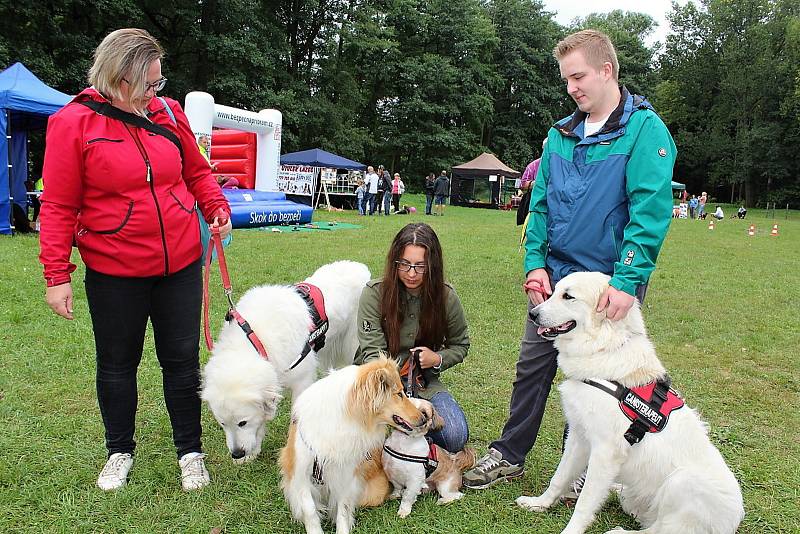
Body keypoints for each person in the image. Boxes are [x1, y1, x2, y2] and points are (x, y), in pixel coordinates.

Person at [463, 29, 676, 490]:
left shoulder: (645, 130)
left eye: (578, 77)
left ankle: (582, 468)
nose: (571, 88)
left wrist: (628, 280)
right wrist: (534, 265)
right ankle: (508, 454)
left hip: (609, 287)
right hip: (556, 279)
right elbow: (538, 206)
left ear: (606, 70)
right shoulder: (559, 135)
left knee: (600, 379)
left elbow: (650, 211)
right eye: (565, 80)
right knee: (532, 366)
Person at [38, 28, 232, 492]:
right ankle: (119, 451)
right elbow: (59, 205)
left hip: (180, 262)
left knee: (182, 362)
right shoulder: (74, 123)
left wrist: (215, 208)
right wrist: (56, 275)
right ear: (119, 77)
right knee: (117, 363)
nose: (156, 92)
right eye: (149, 83)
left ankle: (191, 452)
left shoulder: (168, 113)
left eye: (159, 83)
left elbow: (196, 171)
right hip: (114, 270)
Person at [355, 223, 470, 453]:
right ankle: (409, 441)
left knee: (455, 435)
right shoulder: (374, 294)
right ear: (394, 262)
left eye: (420, 266)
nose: (411, 273)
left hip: (423, 383)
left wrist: (437, 359)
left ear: (432, 266)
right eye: (404, 264)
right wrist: (402, 400)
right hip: (378, 388)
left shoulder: (446, 297)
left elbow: (460, 344)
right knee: (358, 438)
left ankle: (407, 444)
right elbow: (372, 356)